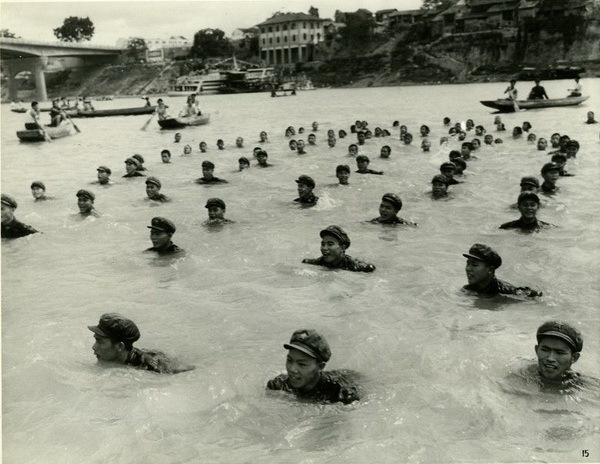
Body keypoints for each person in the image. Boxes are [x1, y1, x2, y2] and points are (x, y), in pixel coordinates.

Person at [266, 329, 361, 404]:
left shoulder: (341, 394)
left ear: (320, 367)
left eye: (302, 364)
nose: (292, 369)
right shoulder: (279, 385)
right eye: (289, 360)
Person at [89, 312, 193, 373]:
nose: (94, 347)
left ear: (120, 346)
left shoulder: (151, 367)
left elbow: (188, 370)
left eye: (99, 341)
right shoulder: (111, 361)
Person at [462, 243, 542, 297]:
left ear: (490, 269)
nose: (468, 268)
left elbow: (537, 295)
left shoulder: (506, 291)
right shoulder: (467, 290)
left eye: (474, 265)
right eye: (468, 263)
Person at [302, 225, 375, 272]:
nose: (324, 248)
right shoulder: (315, 263)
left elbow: (370, 268)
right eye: (323, 244)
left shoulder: (354, 266)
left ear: (342, 248)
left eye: (330, 244)